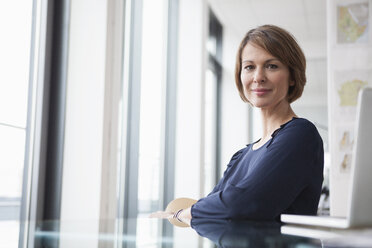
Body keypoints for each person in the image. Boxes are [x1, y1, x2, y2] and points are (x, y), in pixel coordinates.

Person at [150, 24, 324, 227]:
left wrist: (182, 214)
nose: (258, 77)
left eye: (271, 66)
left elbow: (241, 206)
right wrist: (195, 210)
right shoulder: (241, 157)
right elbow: (215, 207)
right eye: (249, 67)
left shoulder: (300, 134)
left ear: (292, 76)